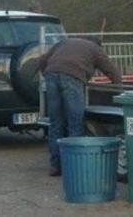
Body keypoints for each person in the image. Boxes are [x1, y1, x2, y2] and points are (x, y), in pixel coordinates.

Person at [38, 37, 122, 176]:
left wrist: (47, 75)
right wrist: (120, 93)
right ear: (99, 46)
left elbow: (41, 60)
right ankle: (72, 167)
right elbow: (112, 71)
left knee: (56, 123)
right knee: (75, 123)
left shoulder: (65, 41)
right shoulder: (95, 49)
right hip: (72, 78)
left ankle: (55, 166)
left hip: (51, 75)